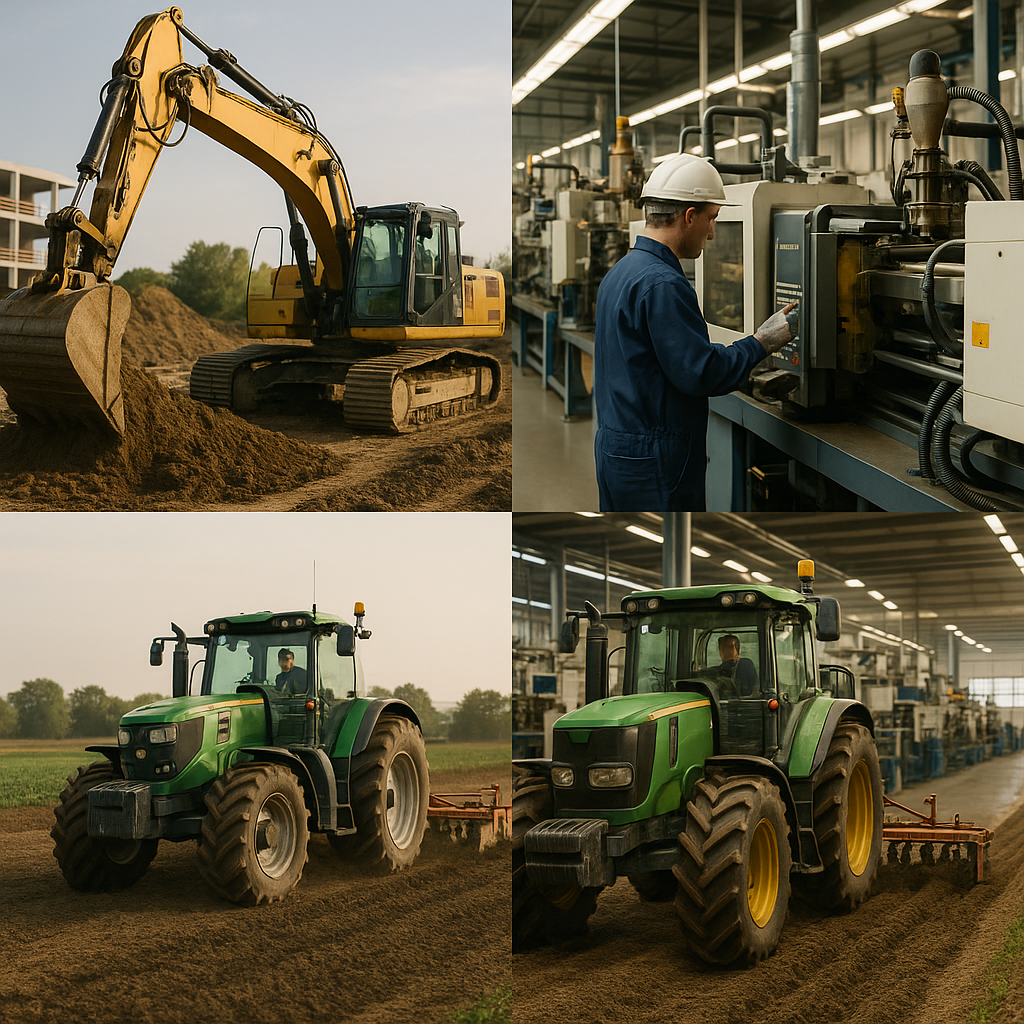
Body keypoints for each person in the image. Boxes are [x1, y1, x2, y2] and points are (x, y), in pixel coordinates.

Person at [593, 152, 799, 511]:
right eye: (711, 218)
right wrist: (761, 342)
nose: (713, 233)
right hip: (654, 461)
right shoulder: (663, 284)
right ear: (689, 217)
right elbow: (701, 373)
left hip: (616, 450)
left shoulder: (621, 272)